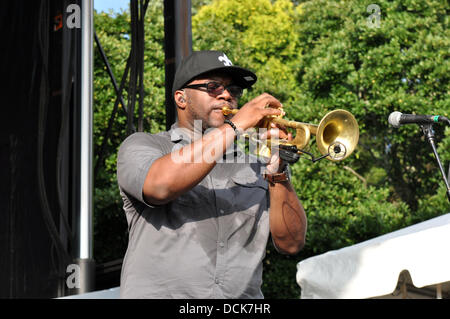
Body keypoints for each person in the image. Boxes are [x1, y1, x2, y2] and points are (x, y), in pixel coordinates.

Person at [117, 50, 307, 299]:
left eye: (234, 91)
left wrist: (277, 172)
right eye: (213, 86)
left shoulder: (256, 163)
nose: (227, 95)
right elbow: (159, 186)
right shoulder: (144, 146)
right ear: (181, 99)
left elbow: (291, 243)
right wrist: (237, 125)